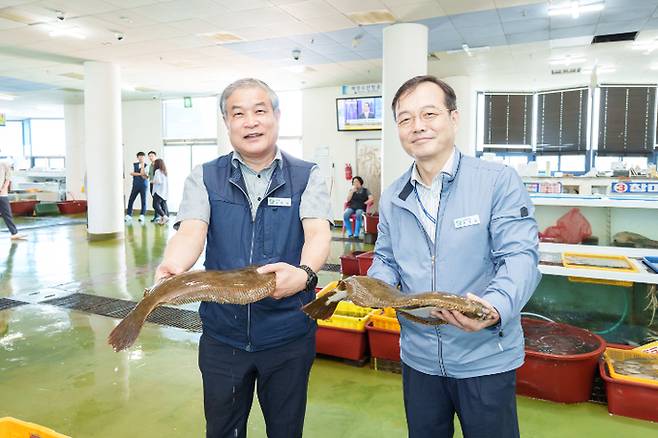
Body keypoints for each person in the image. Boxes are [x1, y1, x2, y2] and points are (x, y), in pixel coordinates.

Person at [154, 78, 332, 438]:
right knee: (223, 430)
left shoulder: (306, 175)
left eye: (259, 111)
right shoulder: (205, 176)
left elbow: (317, 232)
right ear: (227, 123)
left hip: (288, 335)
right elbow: (191, 231)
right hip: (224, 335)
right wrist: (174, 265)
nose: (250, 121)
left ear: (277, 116)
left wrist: (304, 273)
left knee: (285, 430)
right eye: (239, 113)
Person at [368, 75, 541, 438]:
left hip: (484, 356)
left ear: (454, 118)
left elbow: (520, 257)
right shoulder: (393, 196)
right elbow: (386, 259)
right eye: (405, 118)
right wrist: (374, 287)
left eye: (429, 113)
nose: (417, 126)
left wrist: (494, 306)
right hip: (419, 359)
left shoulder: (497, 181)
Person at [0, 160, 26, 240]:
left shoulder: (4, 164)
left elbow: (8, 178)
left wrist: (3, 188)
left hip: (2, 194)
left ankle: (14, 233)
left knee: (7, 214)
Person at [125, 151, 148, 223]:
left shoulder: (146, 165)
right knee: (131, 199)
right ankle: (129, 215)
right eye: (140, 157)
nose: (141, 158)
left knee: (143, 200)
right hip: (135, 185)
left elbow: (145, 175)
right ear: (137, 157)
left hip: (144, 185)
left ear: (144, 157)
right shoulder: (134, 164)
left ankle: (142, 215)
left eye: (142, 157)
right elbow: (131, 173)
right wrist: (140, 174)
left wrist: (142, 167)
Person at [151, 158, 169, 225]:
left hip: (158, 192)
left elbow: (159, 181)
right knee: (161, 205)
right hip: (163, 192)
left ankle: (164, 217)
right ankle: (163, 219)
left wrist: (152, 181)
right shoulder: (164, 171)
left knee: (155, 205)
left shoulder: (157, 171)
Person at [147, 150, 158, 222]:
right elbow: (150, 175)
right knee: (154, 200)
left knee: (157, 201)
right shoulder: (150, 165)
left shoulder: (158, 165)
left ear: (155, 156)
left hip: (157, 185)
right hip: (151, 184)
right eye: (149, 156)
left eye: (152, 156)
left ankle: (158, 216)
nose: (150, 157)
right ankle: (157, 216)